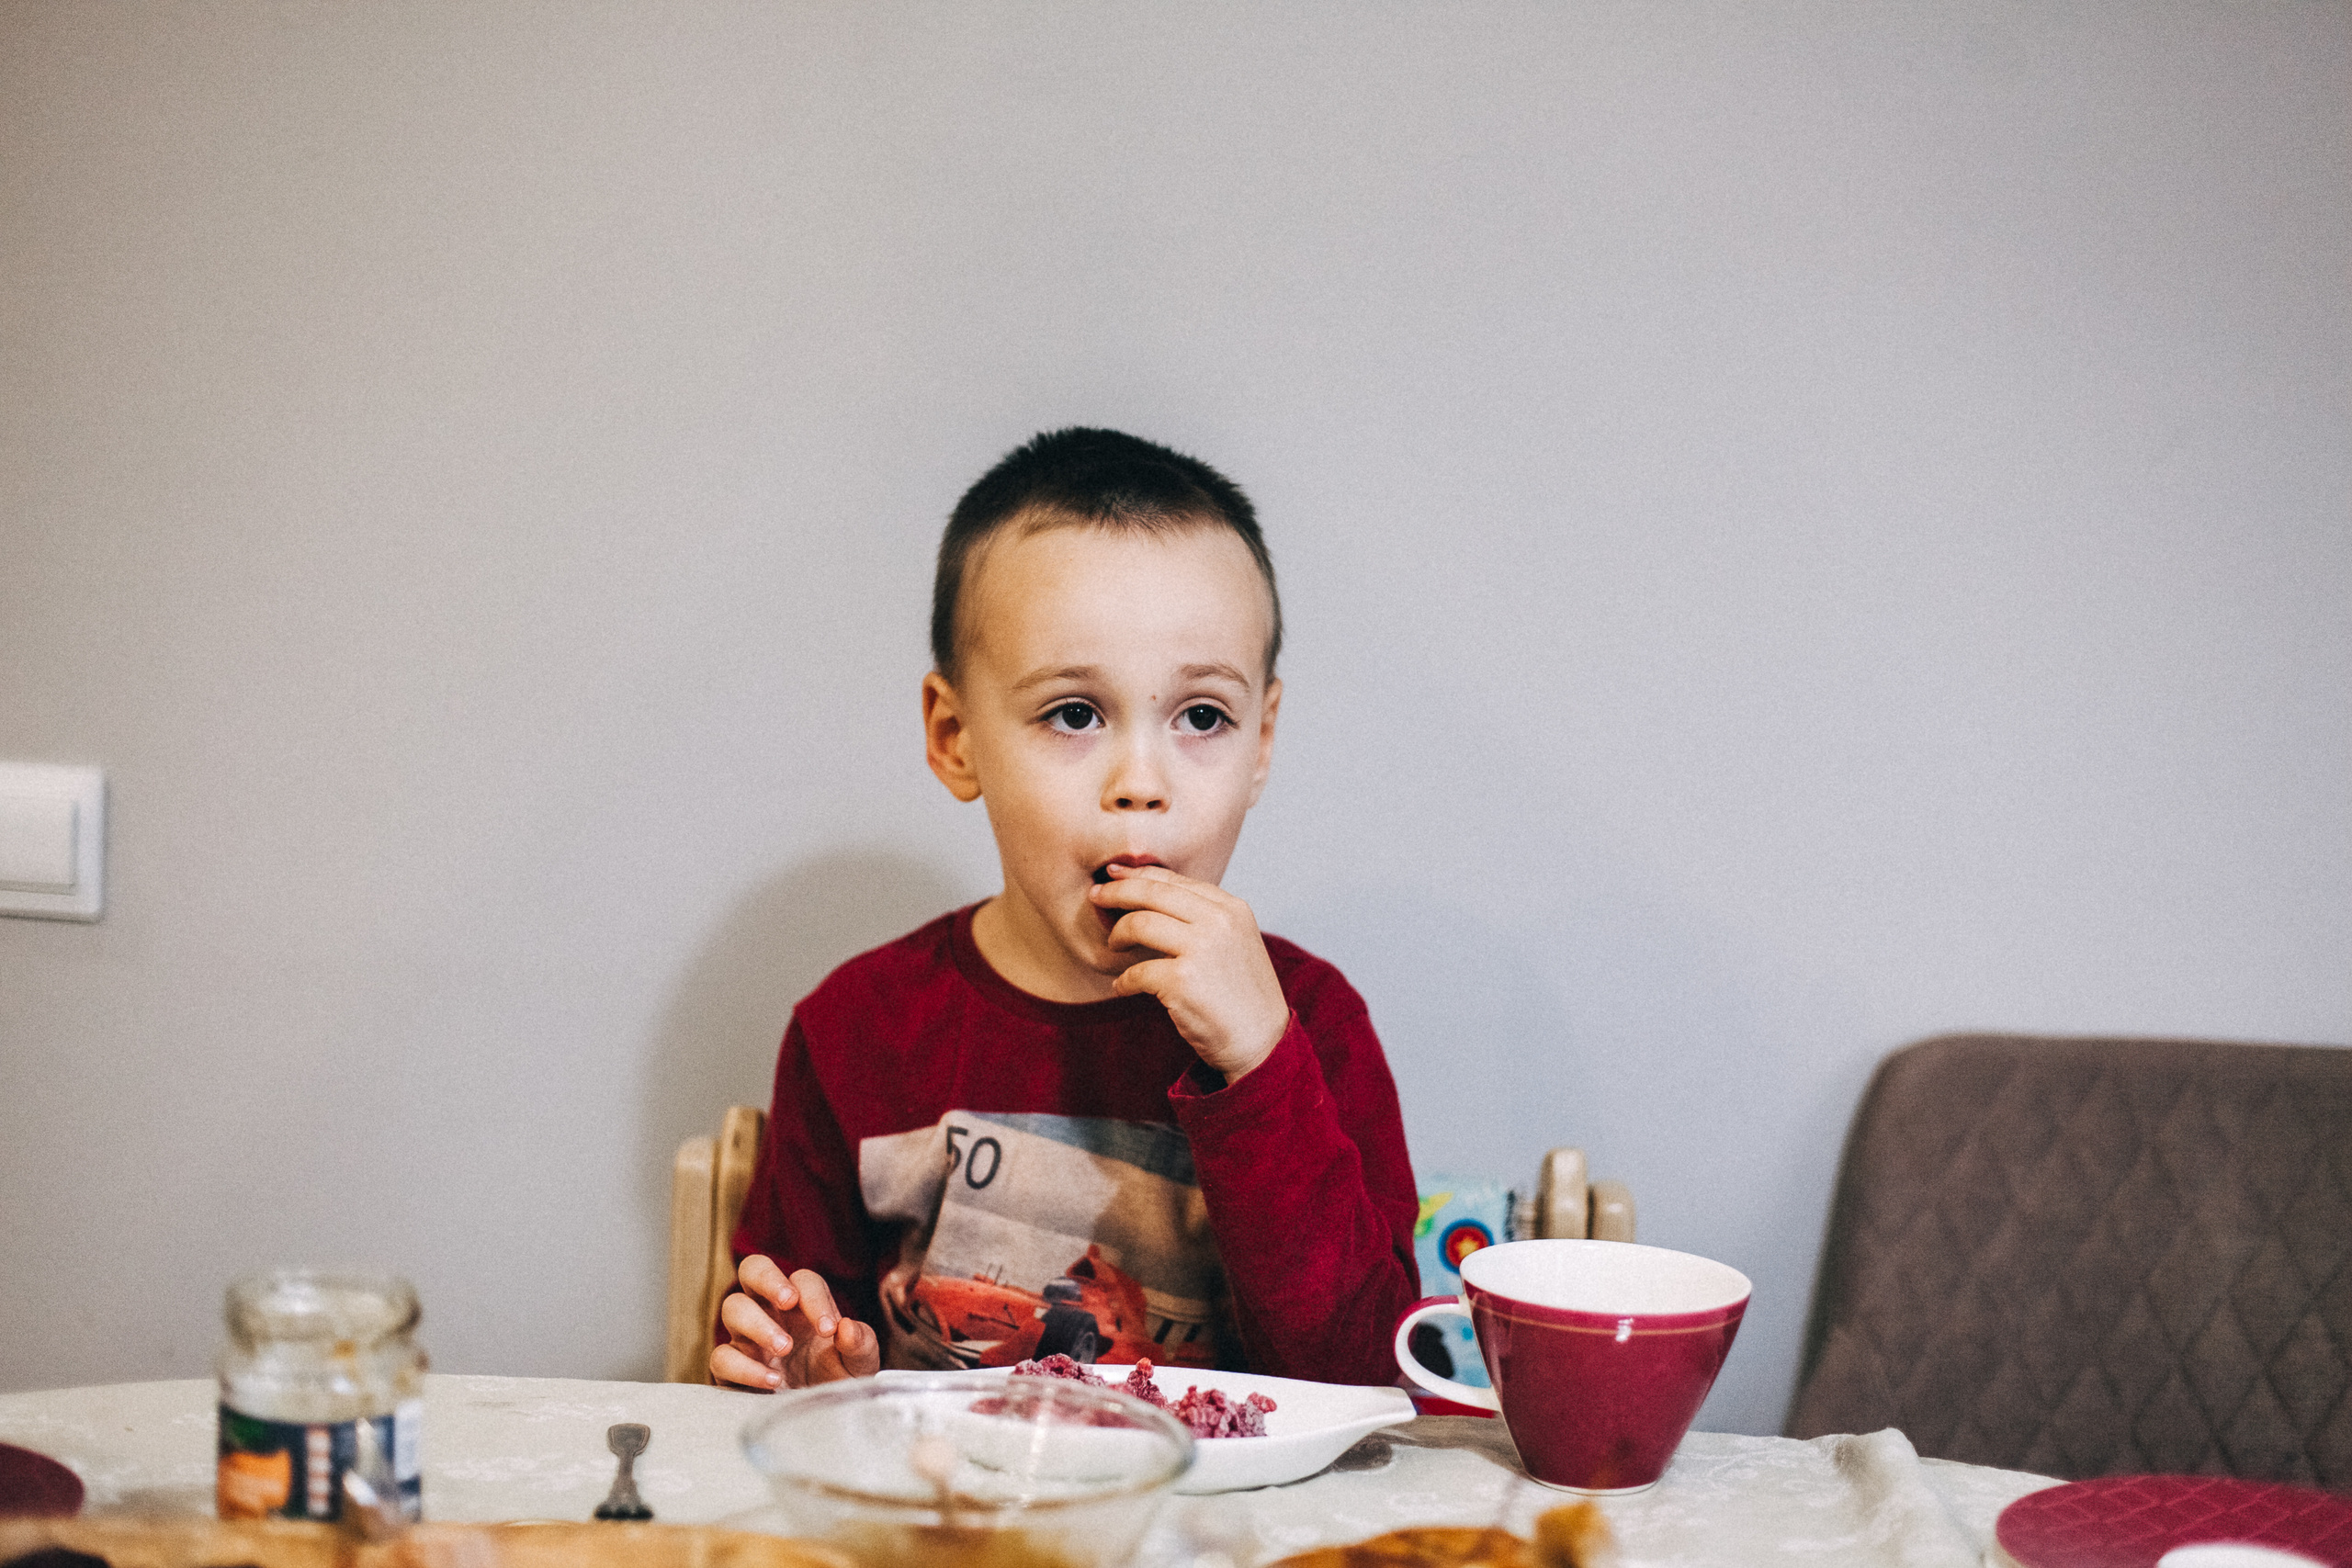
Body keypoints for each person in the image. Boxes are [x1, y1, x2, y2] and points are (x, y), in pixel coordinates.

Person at [711, 427, 1419, 1391]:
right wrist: (809, 1370)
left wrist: (1260, 1066)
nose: (1140, 782)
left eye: (1201, 717)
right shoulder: (857, 1030)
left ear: (1262, 741)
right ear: (955, 737)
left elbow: (1367, 1383)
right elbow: (793, 1352)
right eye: (1074, 714)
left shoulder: (1312, 1026)